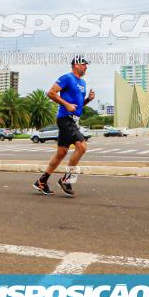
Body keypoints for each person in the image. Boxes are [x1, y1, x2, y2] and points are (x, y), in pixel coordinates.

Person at [33, 56, 94, 197]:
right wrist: (66, 104)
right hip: (65, 119)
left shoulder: (83, 83)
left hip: (73, 119)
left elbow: (77, 106)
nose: (86, 67)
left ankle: (41, 182)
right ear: (76, 65)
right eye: (84, 64)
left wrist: (88, 100)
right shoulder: (67, 78)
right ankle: (66, 179)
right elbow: (51, 93)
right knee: (82, 147)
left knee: (61, 153)